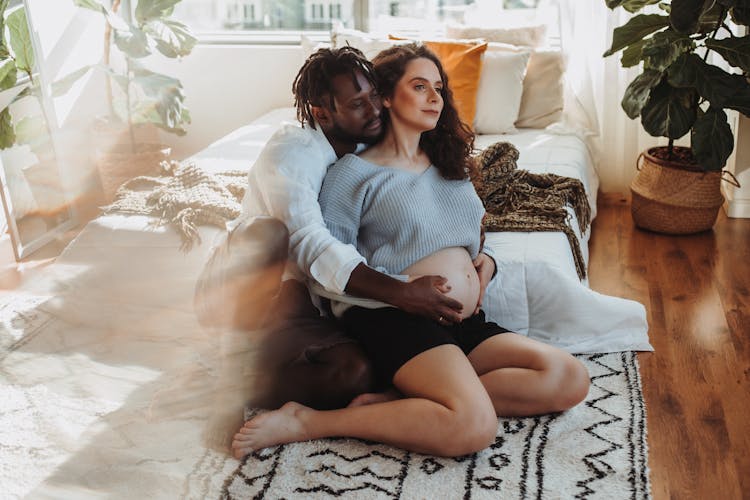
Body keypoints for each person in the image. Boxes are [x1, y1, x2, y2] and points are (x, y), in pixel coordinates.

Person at [231, 43, 590, 459]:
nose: (435, 98)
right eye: (420, 86)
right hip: (396, 321)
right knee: (472, 427)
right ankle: (307, 421)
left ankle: (396, 402)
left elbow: (469, 232)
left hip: (460, 320)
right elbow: (323, 265)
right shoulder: (351, 174)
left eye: (439, 87)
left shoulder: (449, 164)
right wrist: (401, 292)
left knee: (568, 377)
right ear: (387, 96)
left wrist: (486, 264)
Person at [196, 46, 496, 411]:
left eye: (374, 96)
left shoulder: (368, 142)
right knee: (269, 233)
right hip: (257, 285)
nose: (374, 110)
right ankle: (229, 372)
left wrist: (485, 259)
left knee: (355, 374)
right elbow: (309, 242)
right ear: (323, 113)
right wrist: (400, 293)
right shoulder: (294, 152)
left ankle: (254, 382)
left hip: (313, 298)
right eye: (357, 104)